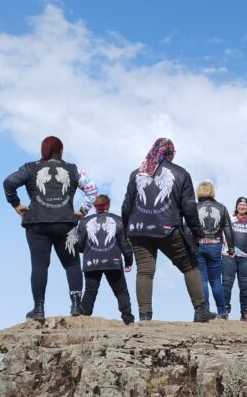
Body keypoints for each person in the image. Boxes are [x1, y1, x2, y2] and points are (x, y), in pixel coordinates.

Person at [3, 135, 98, 322]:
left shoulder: (30, 167)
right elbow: (92, 189)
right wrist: (82, 211)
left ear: (43, 150)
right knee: (71, 263)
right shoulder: (73, 169)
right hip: (66, 223)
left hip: (37, 223)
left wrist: (16, 204)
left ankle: (38, 309)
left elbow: (9, 182)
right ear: (61, 150)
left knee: (40, 265)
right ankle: (77, 304)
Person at [120, 138, 216, 323]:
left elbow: (126, 205)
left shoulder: (136, 174)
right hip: (167, 228)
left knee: (145, 272)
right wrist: (198, 232)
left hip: (138, 230)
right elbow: (189, 208)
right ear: (170, 153)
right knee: (190, 265)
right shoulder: (180, 173)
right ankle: (200, 310)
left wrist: (127, 228)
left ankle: (145, 316)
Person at [66, 194, 135, 324]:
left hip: (91, 262)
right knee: (121, 291)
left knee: (90, 292)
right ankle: (128, 320)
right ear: (108, 205)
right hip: (113, 261)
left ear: (94, 206)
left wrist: (87, 251)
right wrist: (128, 261)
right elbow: (125, 244)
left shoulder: (84, 222)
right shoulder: (119, 220)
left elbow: (79, 245)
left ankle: (84, 320)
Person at [196, 181, 235, 319]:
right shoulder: (221, 208)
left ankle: (205, 311)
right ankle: (222, 312)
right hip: (215, 245)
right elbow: (228, 229)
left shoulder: (194, 207)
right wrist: (231, 249)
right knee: (216, 280)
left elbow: (187, 228)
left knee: (202, 279)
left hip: (199, 245)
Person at [223, 197, 247, 321]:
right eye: (240, 204)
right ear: (236, 206)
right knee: (226, 284)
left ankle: (245, 312)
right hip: (228, 256)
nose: (242, 206)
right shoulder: (229, 218)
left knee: (245, 286)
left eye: (244, 204)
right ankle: (224, 310)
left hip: (246, 258)